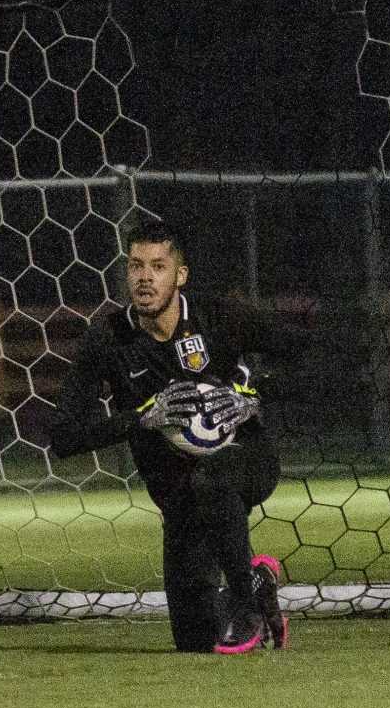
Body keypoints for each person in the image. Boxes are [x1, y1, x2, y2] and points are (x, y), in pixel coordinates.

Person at [48, 214, 303, 655]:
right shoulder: (108, 340)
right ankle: (258, 583)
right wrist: (140, 417)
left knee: (214, 477)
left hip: (248, 459)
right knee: (195, 643)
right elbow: (64, 437)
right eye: (135, 265)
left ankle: (244, 600)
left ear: (180, 275)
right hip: (179, 501)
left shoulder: (220, 317)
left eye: (158, 266)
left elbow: (309, 356)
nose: (145, 278)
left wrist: (254, 396)